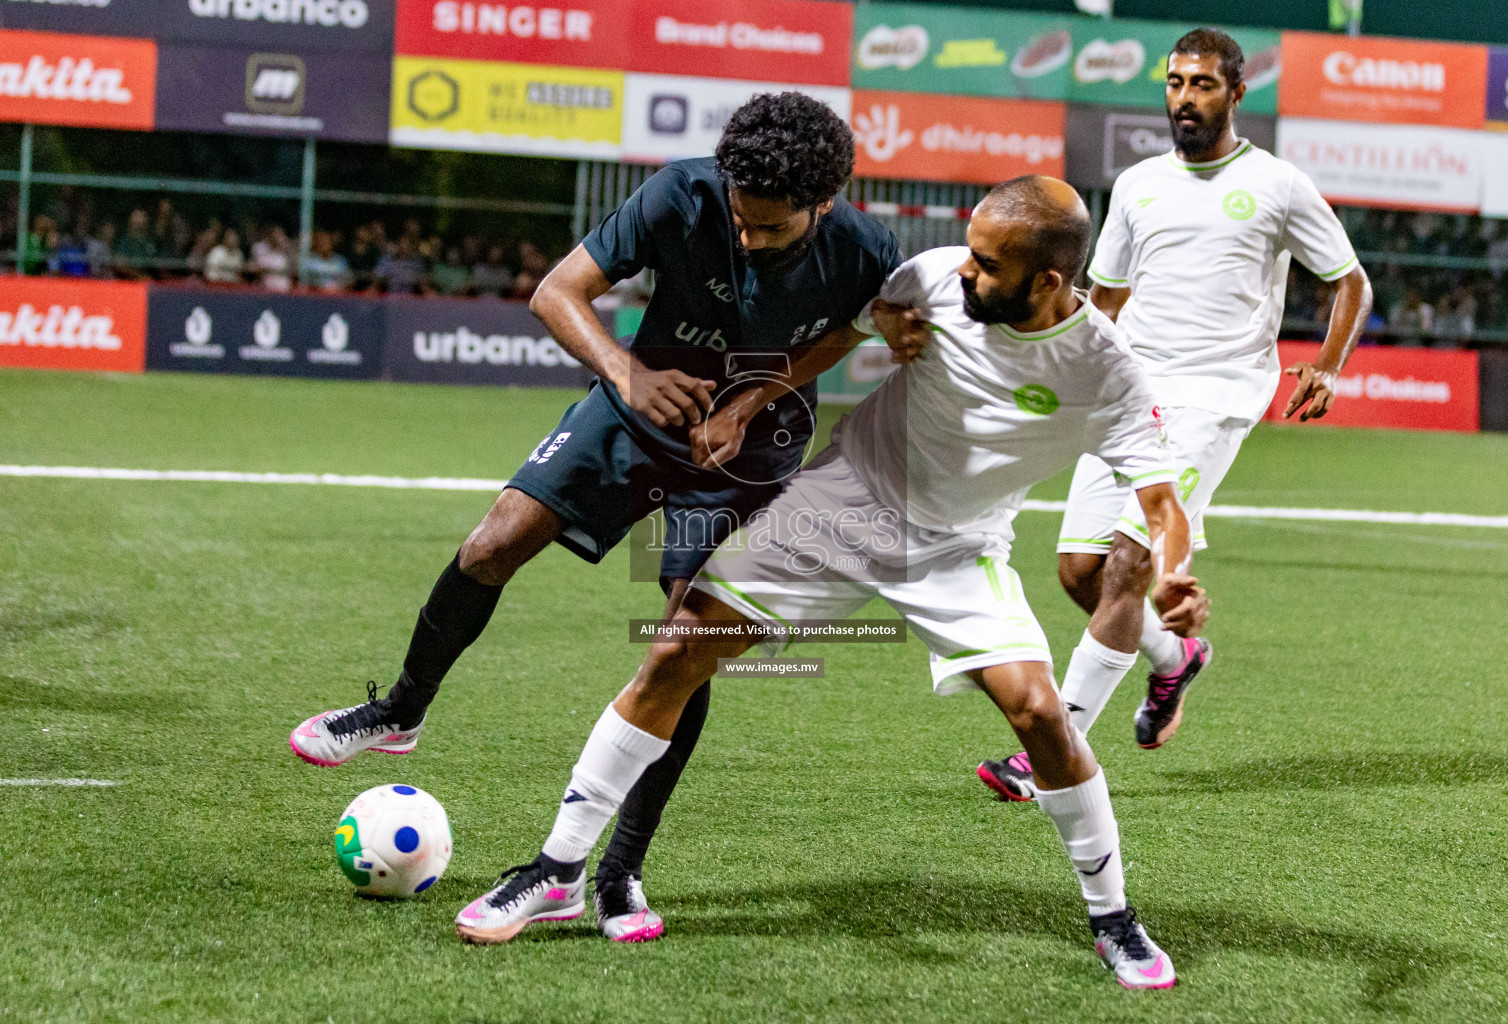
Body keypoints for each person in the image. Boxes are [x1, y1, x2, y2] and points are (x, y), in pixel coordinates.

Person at [454, 177, 1199, 989]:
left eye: (987, 266)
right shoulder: (936, 275)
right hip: (843, 502)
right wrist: (759, 399)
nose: (963, 274)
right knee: (675, 653)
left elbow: (1162, 502)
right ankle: (558, 871)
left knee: (1042, 715)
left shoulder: (1108, 373)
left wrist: (1175, 569)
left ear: (1047, 282)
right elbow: (845, 330)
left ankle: (1113, 918)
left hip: (958, 548)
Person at [289, 93, 905, 942]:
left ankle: (618, 872)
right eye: (740, 219)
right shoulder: (680, 195)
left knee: (680, 649)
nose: (749, 238)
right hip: (634, 407)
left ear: (824, 205)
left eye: (770, 230)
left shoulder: (866, 250)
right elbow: (557, 291)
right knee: (493, 542)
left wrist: (754, 400)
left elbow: (846, 333)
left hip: (747, 455)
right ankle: (400, 710)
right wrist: (625, 372)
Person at [974, 28, 1371, 802]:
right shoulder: (1138, 186)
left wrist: (1327, 365)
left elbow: (1348, 279)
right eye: (1175, 83)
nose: (1185, 98)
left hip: (1215, 396)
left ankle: (1053, 751)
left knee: (1128, 566)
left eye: (1202, 85)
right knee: (1080, 572)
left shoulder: (1278, 185)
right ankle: (1173, 659)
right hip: (1131, 392)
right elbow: (1108, 300)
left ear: (1235, 94)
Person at [250, 225, 293, 291]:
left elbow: (293, 269)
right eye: (275, 234)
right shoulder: (259, 248)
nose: (277, 238)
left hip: (282, 290)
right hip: (265, 289)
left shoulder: (285, 252)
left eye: (280, 235)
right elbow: (254, 267)